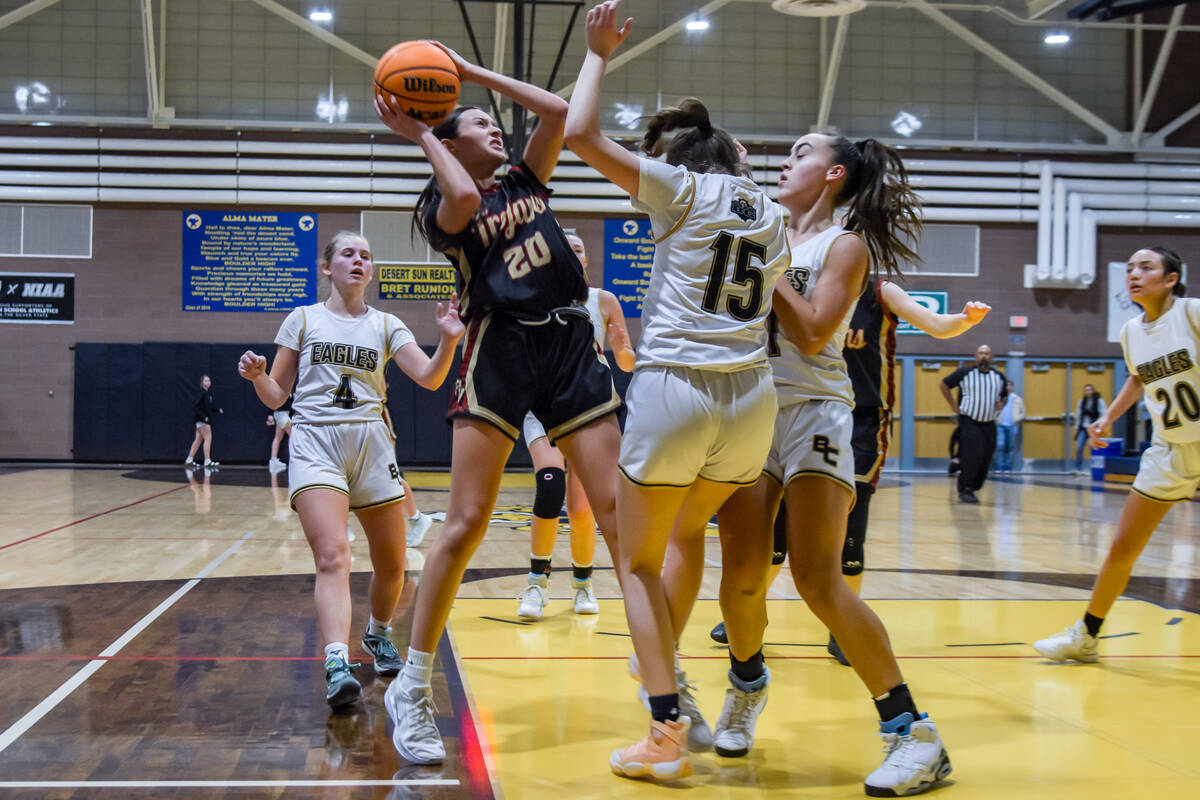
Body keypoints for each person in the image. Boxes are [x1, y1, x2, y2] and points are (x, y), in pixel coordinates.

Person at [374, 43, 624, 766]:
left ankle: (660, 684)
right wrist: (422, 128)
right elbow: (460, 200)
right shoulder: (437, 204)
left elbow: (556, 112)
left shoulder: (524, 179)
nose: (494, 128)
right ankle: (413, 685)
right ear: (446, 142)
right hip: (501, 349)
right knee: (466, 523)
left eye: (490, 120)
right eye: (476, 122)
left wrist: (467, 74)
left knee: (611, 513)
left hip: (571, 344)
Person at [565, 3, 792, 780]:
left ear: (688, 160)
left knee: (635, 560)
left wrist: (597, 55)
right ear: (736, 154)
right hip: (752, 404)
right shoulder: (779, 215)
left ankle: (665, 730)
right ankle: (672, 678)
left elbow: (580, 136)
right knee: (682, 538)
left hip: (676, 392)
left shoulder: (683, 189)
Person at [708, 124, 953, 793]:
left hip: (816, 412)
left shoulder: (845, 246)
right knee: (743, 579)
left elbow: (817, 331)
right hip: (750, 410)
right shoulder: (759, 234)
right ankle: (747, 684)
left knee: (818, 580)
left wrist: (766, 264)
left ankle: (915, 733)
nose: (784, 162)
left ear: (835, 174)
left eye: (800, 153)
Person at [236, 230, 464, 708]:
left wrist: (447, 341)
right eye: (348, 253)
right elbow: (279, 395)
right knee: (333, 556)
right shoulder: (302, 319)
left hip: (371, 442)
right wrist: (259, 378)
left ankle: (378, 633)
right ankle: (337, 661)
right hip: (316, 440)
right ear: (328, 267)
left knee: (394, 566)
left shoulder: (386, 324)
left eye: (366, 254)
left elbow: (429, 377)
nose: (358, 260)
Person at [1034, 246, 1199, 663]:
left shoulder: (1192, 313)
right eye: (1129, 268)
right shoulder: (1131, 331)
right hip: (1169, 448)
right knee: (1123, 546)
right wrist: (1107, 417)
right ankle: (1085, 637)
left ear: (1171, 279)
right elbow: (1138, 379)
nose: (1134, 274)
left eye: (1146, 267)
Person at [517, 232, 635, 620]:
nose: (572, 251)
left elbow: (627, 362)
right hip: (544, 408)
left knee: (583, 508)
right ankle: (537, 583)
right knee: (549, 485)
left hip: (589, 407)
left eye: (579, 247)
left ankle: (583, 584)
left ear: (586, 259)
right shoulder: (534, 298)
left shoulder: (603, 300)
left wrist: (622, 347)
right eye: (564, 247)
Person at [940, 344, 1007, 503]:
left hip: (989, 422)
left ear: (991, 357)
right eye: (980, 353)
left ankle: (974, 486)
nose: (983, 356)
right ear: (976, 356)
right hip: (969, 421)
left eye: (986, 353)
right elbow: (944, 384)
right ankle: (965, 489)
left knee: (986, 456)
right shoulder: (965, 373)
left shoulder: (998, 376)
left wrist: (1002, 403)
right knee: (972, 455)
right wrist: (953, 404)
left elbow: (1004, 396)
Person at [185, 375, 221, 467]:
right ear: (202, 383)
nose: (208, 382)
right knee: (208, 438)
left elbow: (210, 407)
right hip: (202, 420)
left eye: (209, 380)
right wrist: (203, 416)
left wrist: (217, 410)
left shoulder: (207, 394)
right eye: (206, 381)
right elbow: (195, 406)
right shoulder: (201, 393)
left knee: (198, 440)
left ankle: (189, 459)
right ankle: (207, 460)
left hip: (202, 420)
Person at [1073, 383, 1107, 474]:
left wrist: (1100, 428)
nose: (1088, 392)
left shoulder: (1099, 401)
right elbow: (1079, 415)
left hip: (1094, 428)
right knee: (1079, 447)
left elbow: (1103, 414)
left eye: (1090, 390)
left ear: (1093, 391)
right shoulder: (1082, 401)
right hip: (1084, 427)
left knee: (1093, 447)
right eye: (1086, 390)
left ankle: (1093, 469)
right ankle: (1078, 468)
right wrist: (1077, 427)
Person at [995, 380, 1025, 473]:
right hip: (1000, 425)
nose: (1008, 387)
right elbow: (994, 410)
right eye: (1006, 385)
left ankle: (1007, 467)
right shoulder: (999, 399)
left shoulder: (1018, 399)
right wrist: (995, 419)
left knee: (1010, 447)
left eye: (1009, 385)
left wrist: (1016, 419)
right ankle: (999, 468)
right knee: (1000, 446)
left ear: (1013, 387)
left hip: (1013, 425)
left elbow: (1023, 413)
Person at [267, 392, 293, 472]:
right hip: (281, 414)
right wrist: (270, 414)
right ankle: (293, 459)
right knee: (293, 436)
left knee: (278, 437)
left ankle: (273, 460)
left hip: (284, 415)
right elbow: (271, 401)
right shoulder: (279, 390)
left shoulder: (291, 389)